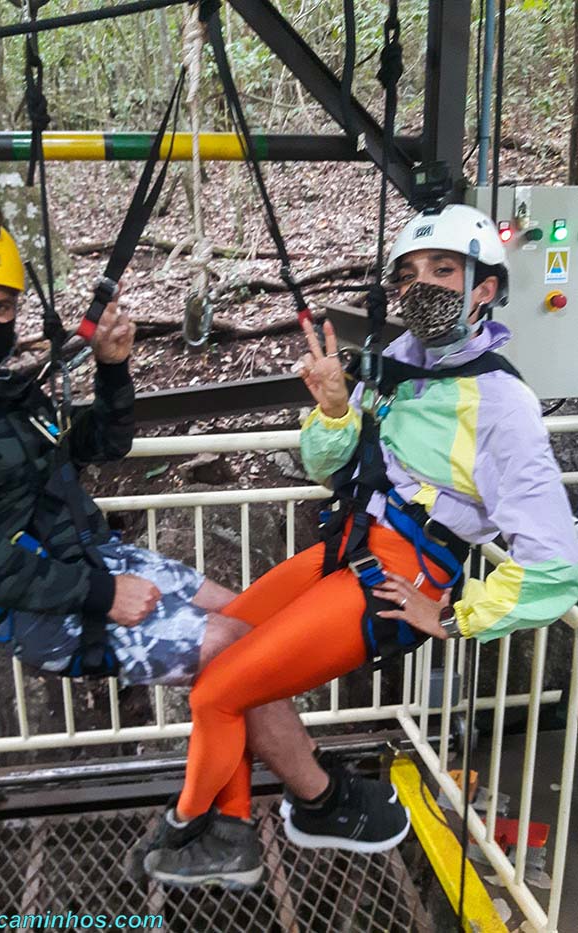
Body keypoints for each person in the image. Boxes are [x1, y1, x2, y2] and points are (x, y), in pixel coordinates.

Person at [0, 214, 395, 890]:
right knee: (235, 649)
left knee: (253, 627)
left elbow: (101, 443)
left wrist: (113, 370)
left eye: (1, 307)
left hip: (96, 559)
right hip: (46, 605)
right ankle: (315, 799)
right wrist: (101, 595)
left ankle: (227, 822)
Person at [142, 203, 578, 887]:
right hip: (349, 545)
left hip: (394, 576)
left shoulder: (501, 403)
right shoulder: (401, 364)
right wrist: (338, 409)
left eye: (443, 270)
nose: (421, 286)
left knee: (217, 695)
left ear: (485, 289)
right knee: (221, 652)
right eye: (408, 274)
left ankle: (194, 826)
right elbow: (329, 464)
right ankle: (257, 825)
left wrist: (453, 616)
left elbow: (555, 561)